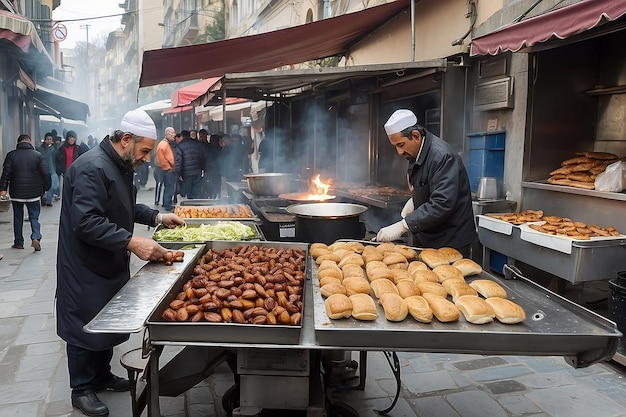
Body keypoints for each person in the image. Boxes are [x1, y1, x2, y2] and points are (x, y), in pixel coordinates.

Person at [55, 109, 185, 417]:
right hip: (84, 264)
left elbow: (121, 206)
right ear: (126, 139)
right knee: (85, 322)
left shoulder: (118, 166)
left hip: (107, 258)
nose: (147, 158)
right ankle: (82, 388)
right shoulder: (92, 168)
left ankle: (101, 375)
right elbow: (86, 222)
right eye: (144, 151)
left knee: (106, 319)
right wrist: (132, 242)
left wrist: (156, 216)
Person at [376, 109, 476, 257]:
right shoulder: (415, 154)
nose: (399, 152)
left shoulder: (443, 157)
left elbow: (442, 204)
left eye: (401, 144)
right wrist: (415, 199)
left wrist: (404, 225)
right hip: (429, 237)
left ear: (416, 136)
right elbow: (425, 184)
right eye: (396, 146)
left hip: (450, 241)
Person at [0, 134, 51, 251]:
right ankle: (36, 237)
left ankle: (19, 242)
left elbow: (5, 174)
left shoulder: (11, 155)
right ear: (29, 141)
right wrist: (46, 188)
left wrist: (2, 189)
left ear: (18, 143)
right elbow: (46, 173)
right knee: (34, 217)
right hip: (34, 193)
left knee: (18, 218)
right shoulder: (38, 155)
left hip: (16, 193)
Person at [175, 129, 205, 200]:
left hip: (186, 173)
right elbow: (202, 157)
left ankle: (191, 208)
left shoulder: (180, 146)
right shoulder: (197, 144)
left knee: (189, 192)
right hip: (197, 171)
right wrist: (203, 169)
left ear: (182, 136)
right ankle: (197, 207)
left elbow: (179, 161)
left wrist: (179, 174)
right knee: (197, 191)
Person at [156, 127, 177, 211]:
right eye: (172, 133)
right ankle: (167, 204)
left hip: (166, 169)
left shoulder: (164, 144)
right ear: (167, 134)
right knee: (169, 187)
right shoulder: (164, 145)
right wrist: (170, 167)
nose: (174, 135)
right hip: (167, 169)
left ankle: (166, 203)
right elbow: (164, 159)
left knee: (168, 187)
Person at [38, 132, 59, 207]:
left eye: (50, 139)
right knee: (43, 187)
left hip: (53, 170)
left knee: (53, 186)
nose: (49, 140)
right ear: (45, 140)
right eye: (48, 139)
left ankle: (48, 200)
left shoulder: (55, 149)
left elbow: (59, 159)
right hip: (43, 170)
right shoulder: (40, 149)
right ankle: (43, 199)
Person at [202, 132, 222, 199]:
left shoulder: (207, 147)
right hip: (217, 170)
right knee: (216, 184)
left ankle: (209, 196)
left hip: (208, 169)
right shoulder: (219, 149)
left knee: (208, 184)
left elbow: (204, 158)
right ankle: (215, 196)